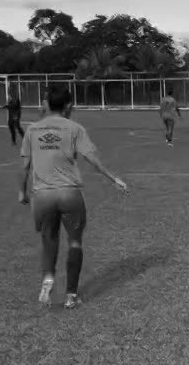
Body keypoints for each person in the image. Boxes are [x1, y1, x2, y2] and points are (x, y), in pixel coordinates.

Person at [20, 86, 128, 308]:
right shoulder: (75, 128)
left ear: (47, 104)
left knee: (49, 239)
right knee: (75, 242)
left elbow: (25, 166)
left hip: (42, 195)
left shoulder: (32, 130)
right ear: (69, 105)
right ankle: (71, 296)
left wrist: (22, 191)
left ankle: (48, 278)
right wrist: (113, 178)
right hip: (69, 194)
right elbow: (92, 159)